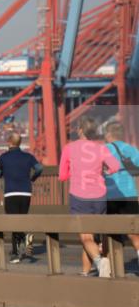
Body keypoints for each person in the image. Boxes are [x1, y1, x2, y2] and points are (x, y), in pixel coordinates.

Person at [58, 116, 121, 278]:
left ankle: (101, 262)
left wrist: (75, 172)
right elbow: (115, 166)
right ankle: (86, 271)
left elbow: (62, 176)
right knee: (96, 235)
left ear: (80, 130)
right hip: (100, 196)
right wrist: (104, 171)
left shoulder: (69, 148)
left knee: (85, 236)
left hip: (79, 195)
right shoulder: (101, 148)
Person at [0, 133, 44, 263]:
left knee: (13, 223)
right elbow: (39, 168)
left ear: (9, 142)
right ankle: (19, 248)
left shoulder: (3, 157)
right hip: (26, 193)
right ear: (19, 143)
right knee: (21, 221)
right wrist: (33, 178)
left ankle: (17, 252)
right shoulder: (28, 156)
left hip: (11, 193)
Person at [103, 120, 139, 260]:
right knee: (134, 231)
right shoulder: (130, 149)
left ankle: (113, 265)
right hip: (129, 194)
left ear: (108, 134)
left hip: (109, 195)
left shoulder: (103, 149)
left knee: (111, 232)